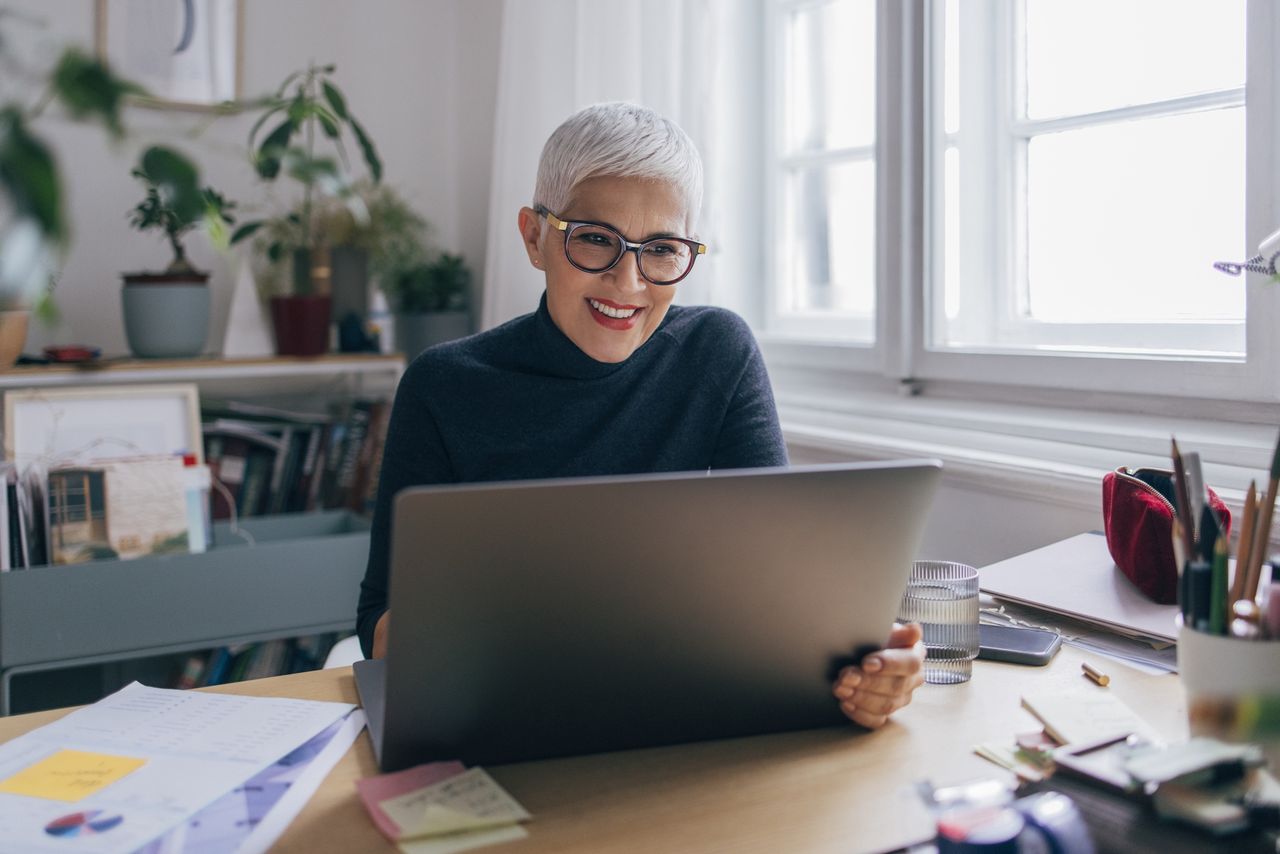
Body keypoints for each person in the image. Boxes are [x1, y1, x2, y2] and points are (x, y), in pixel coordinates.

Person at [355, 102, 925, 730]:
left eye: (660, 249)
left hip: (679, 714)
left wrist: (865, 666)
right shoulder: (443, 386)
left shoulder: (717, 352)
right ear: (534, 237)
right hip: (504, 720)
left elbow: (782, 585)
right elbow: (380, 628)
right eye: (595, 239)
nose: (628, 283)